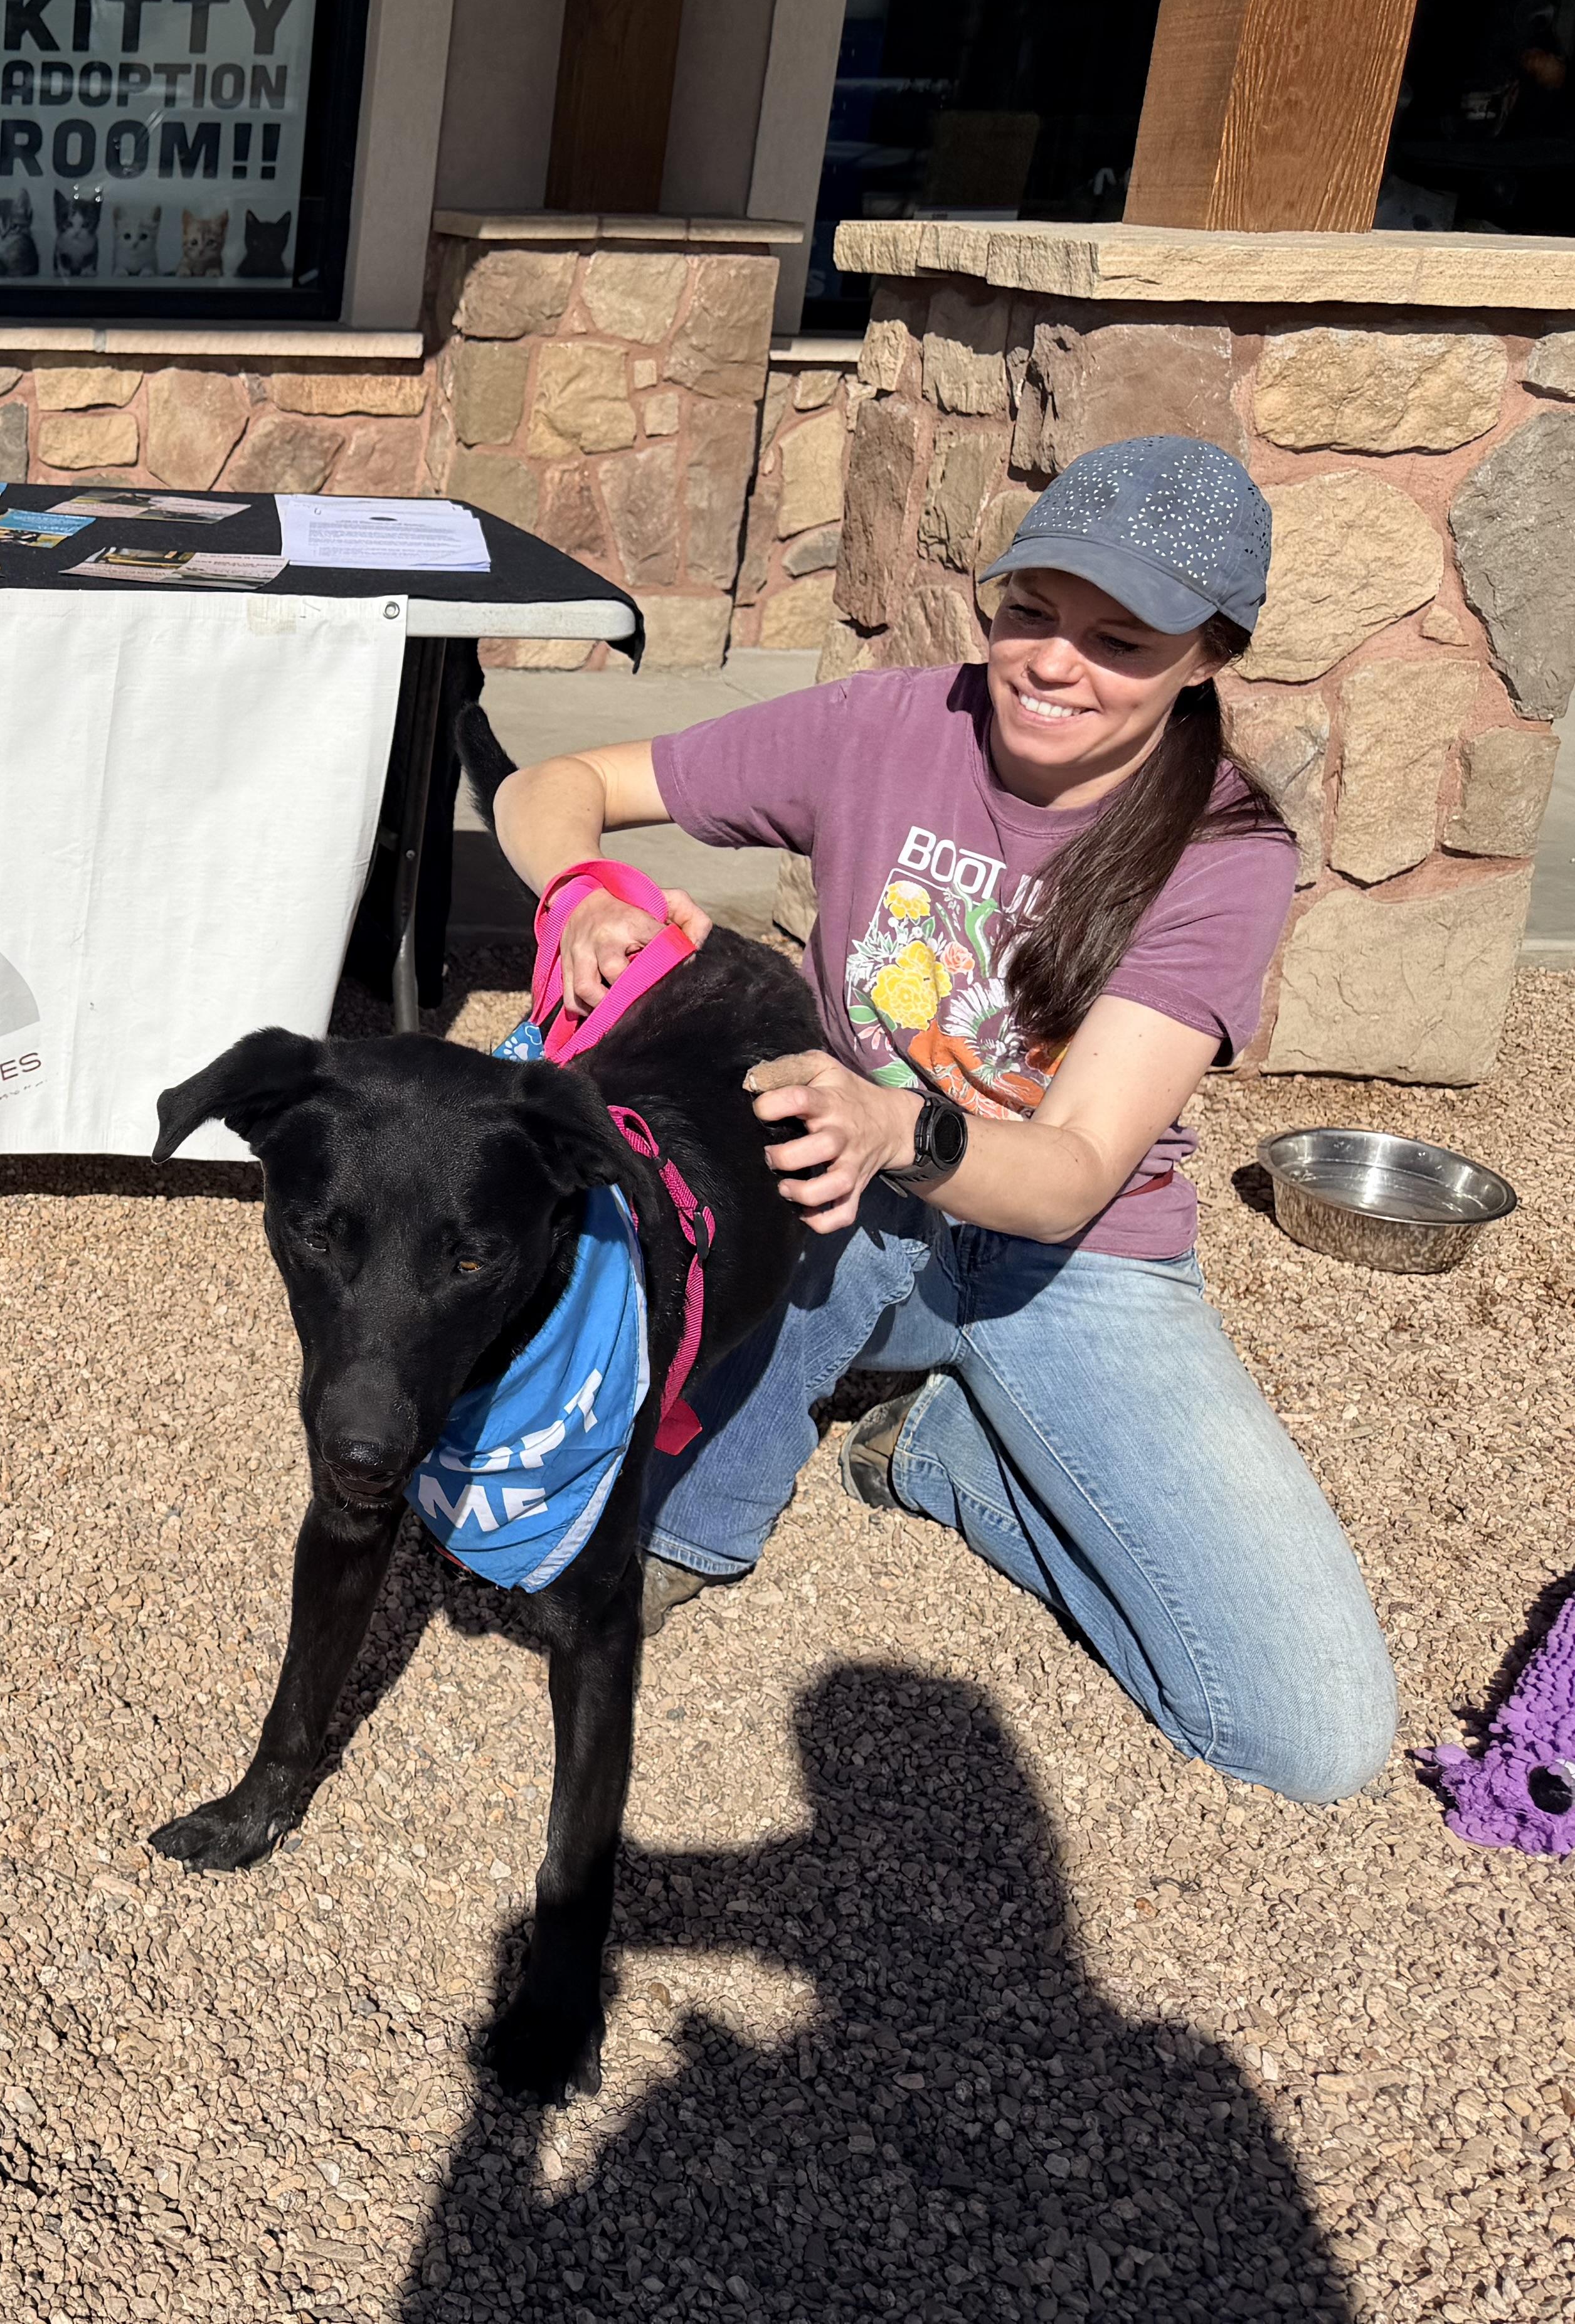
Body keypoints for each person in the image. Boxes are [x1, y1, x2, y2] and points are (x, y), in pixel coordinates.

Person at [487, 435, 1397, 1806]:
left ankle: (936, 1450)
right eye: (1032, 612)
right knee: (632, 1474)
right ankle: (704, 1512)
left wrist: (896, 1125)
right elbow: (553, 787)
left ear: (1208, 657)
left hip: (1072, 1263)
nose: (1052, 665)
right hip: (837, 1207)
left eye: (1120, 642)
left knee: (1305, 1735)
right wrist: (583, 893)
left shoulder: (1226, 852)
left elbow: (1073, 1173)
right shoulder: (889, 724)